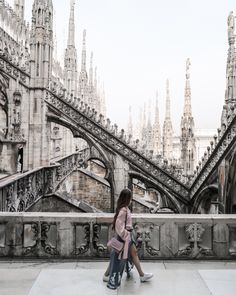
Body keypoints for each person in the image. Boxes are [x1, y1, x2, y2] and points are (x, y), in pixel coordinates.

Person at [103, 188, 153, 290]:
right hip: (124, 238)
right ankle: (141, 275)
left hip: (126, 237)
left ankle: (141, 275)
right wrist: (126, 234)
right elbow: (118, 224)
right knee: (117, 256)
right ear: (127, 198)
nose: (131, 200)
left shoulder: (124, 208)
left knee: (124, 254)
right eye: (130, 198)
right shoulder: (123, 210)